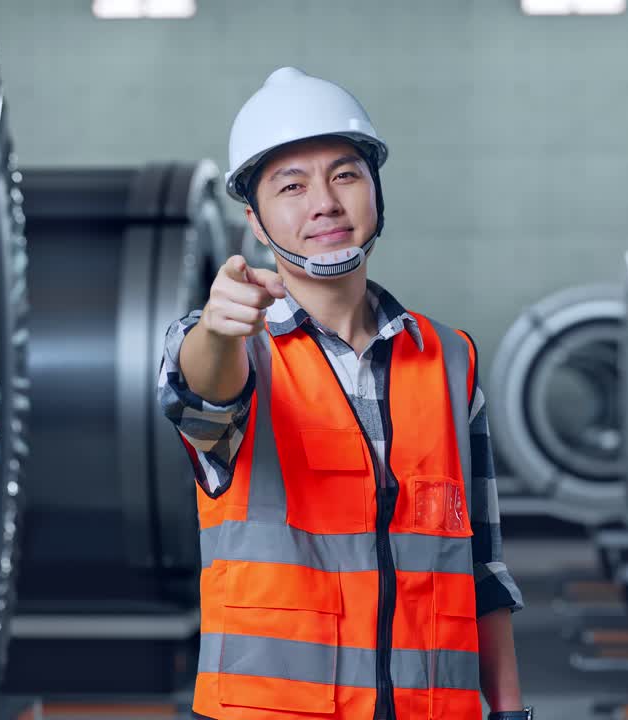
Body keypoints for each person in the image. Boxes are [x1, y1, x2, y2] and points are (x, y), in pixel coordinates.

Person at [157, 67, 530, 720]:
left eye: (345, 175)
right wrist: (218, 329)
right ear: (256, 219)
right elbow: (202, 396)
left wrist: (509, 711)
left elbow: (483, 573)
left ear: (376, 193)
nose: (324, 202)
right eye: (291, 186)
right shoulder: (237, 351)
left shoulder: (449, 360)